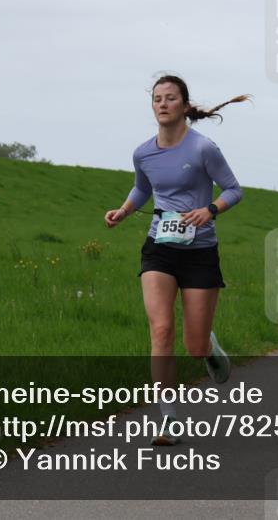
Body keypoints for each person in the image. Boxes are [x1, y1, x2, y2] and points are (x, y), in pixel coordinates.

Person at [104, 72, 247, 445]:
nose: (163, 103)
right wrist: (123, 210)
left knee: (194, 346)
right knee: (161, 331)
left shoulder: (203, 149)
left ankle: (209, 348)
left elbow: (234, 189)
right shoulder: (143, 152)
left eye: (170, 98)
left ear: (184, 106)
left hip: (200, 250)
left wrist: (210, 210)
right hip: (160, 247)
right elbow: (143, 187)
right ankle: (168, 421)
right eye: (157, 98)